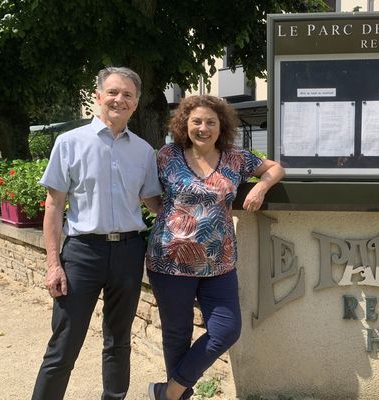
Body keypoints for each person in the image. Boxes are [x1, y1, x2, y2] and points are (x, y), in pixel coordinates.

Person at [32, 66, 162, 400]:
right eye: (114, 92)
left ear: (136, 103)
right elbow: (53, 206)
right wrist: (52, 264)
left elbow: (151, 201)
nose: (120, 99)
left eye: (128, 95)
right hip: (82, 254)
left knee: (119, 341)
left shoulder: (144, 151)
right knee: (64, 343)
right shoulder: (69, 143)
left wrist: (194, 211)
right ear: (98, 96)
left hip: (129, 253)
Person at [146, 94, 285, 400]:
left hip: (219, 264)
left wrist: (261, 187)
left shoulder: (236, 157)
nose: (203, 128)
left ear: (222, 126)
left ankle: (167, 393)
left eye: (211, 122)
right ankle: (179, 396)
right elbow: (147, 192)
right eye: (196, 121)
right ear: (185, 124)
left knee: (226, 330)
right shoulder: (167, 156)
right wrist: (169, 215)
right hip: (170, 262)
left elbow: (275, 169)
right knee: (176, 336)